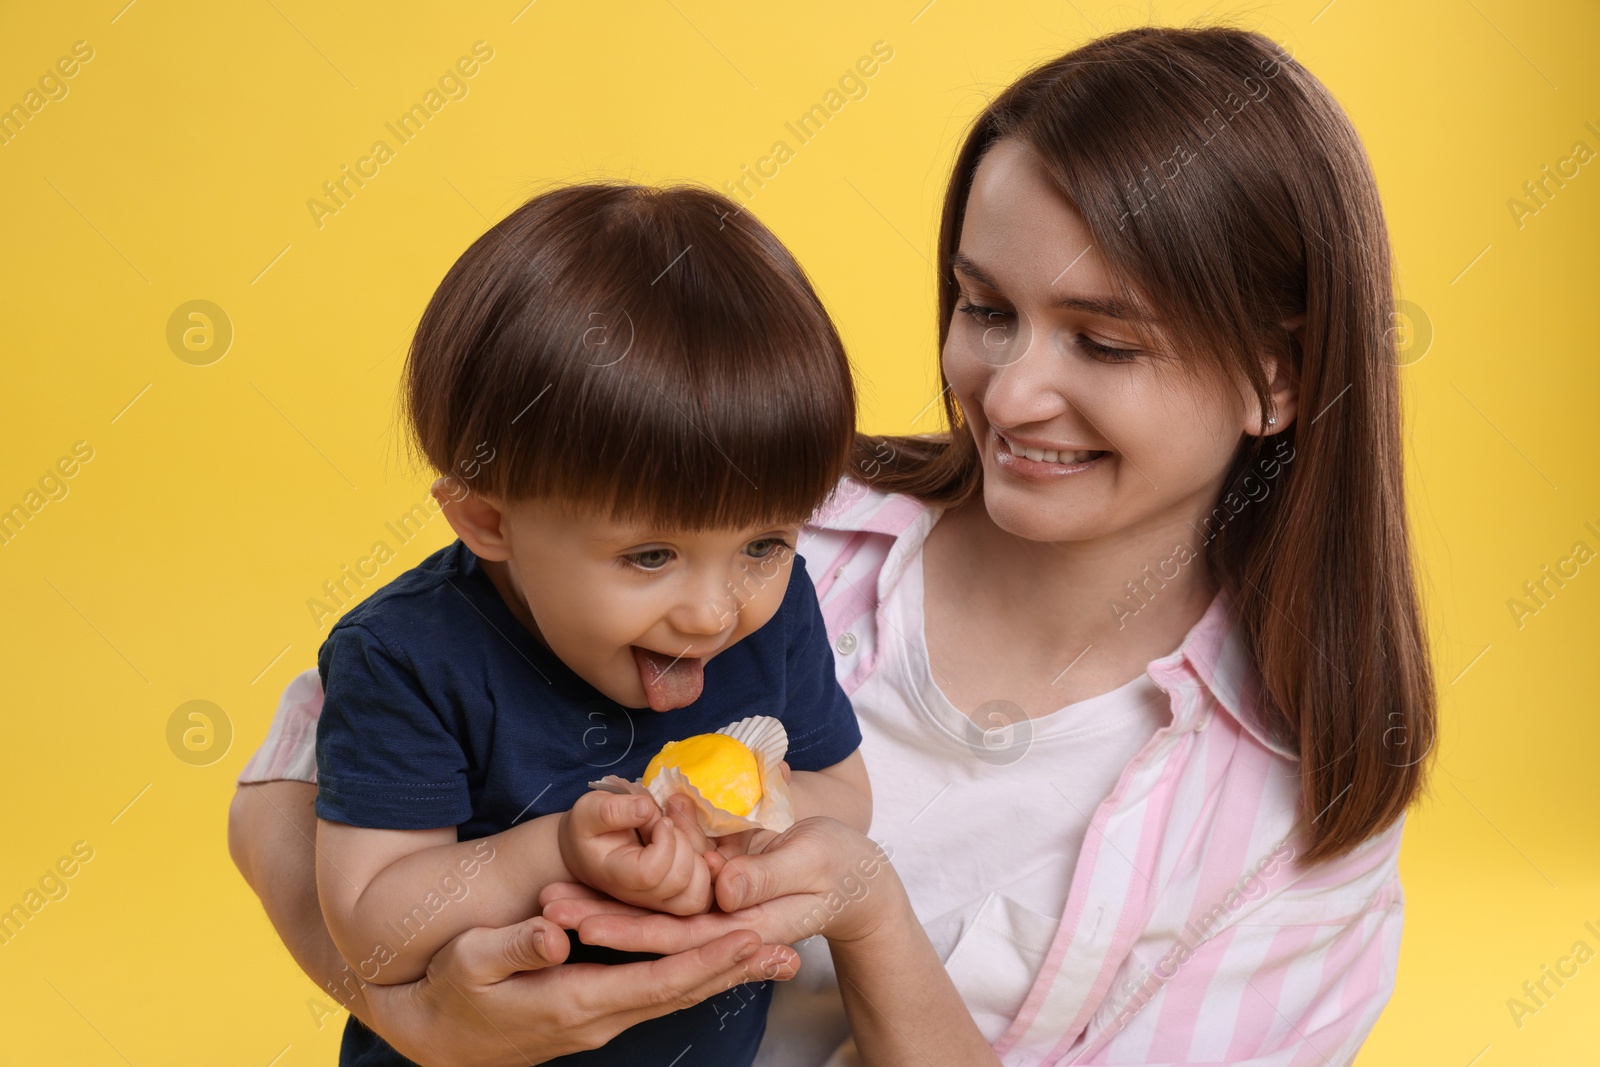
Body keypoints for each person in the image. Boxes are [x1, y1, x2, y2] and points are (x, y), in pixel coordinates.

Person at [230, 25, 1435, 1066]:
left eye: (1103, 343)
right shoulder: (760, 505)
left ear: (1278, 376)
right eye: (986, 309)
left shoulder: (1292, 815)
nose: (1009, 393)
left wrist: (868, 909)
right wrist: (426, 1022)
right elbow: (295, 783)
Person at [287, 181, 873, 1066]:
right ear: (489, 520)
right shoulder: (408, 657)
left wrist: (746, 826)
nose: (716, 613)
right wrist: (556, 852)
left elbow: (845, 794)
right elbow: (374, 923)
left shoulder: (775, 610)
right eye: (649, 557)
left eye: (763, 541)